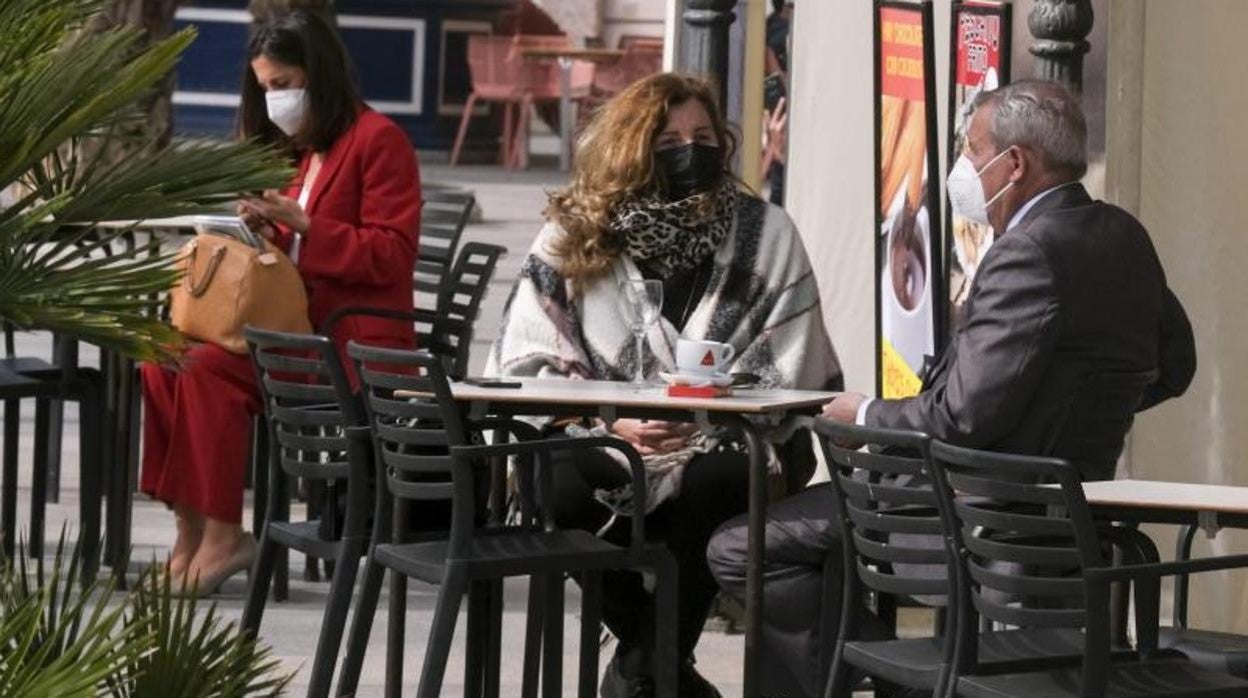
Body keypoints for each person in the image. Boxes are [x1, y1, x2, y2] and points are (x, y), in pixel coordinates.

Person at [708, 80, 1197, 698]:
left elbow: (959, 417)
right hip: (1061, 504)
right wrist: (1069, 417)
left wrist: (865, 412)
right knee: (810, 551)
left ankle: (896, 670)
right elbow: (1174, 367)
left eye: (973, 149)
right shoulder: (1124, 236)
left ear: (1014, 164)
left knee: (741, 546)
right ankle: (894, 666)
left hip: (979, 512)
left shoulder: (1029, 252)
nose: (963, 168)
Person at [486, 73, 841, 698]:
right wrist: (609, 421)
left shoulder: (766, 234)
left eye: (703, 135)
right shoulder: (574, 234)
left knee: (721, 477)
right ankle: (663, 672)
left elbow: (791, 367)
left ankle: (642, 672)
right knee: (559, 480)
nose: (690, 148)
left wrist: (703, 417)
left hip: (734, 438)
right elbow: (528, 360)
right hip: (605, 433)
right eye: (670, 137)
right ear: (632, 148)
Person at [140, 9, 421, 595]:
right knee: (159, 357)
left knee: (203, 368)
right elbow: (285, 259)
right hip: (289, 331)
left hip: (347, 342)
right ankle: (189, 531)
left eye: (284, 86)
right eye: (266, 89)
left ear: (318, 75)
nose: (275, 101)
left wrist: (308, 227)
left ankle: (224, 535)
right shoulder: (295, 151)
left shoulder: (378, 140)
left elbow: (391, 255)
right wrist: (259, 228)